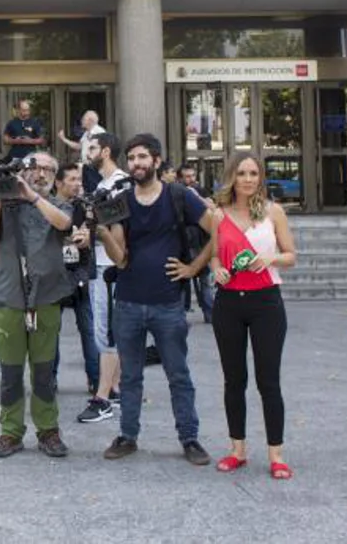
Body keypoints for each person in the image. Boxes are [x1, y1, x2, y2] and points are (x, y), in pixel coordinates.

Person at [178, 151, 296, 479]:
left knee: (268, 381)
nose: (248, 179)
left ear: (260, 178)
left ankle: (276, 455)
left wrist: (269, 258)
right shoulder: (218, 215)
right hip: (229, 304)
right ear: (232, 176)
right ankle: (237, 450)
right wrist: (216, 271)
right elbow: (215, 256)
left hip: (266, 303)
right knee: (234, 380)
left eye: (253, 174)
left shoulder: (273, 212)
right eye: (242, 173)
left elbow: (291, 255)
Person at [100, 133, 215, 466]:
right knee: (131, 376)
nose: (135, 163)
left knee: (178, 375)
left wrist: (194, 267)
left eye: (141, 157)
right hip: (128, 302)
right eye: (131, 158)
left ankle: (190, 438)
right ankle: (128, 436)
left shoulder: (180, 196)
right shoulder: (121, 201)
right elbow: (120, 259)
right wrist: (104, 231)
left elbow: (218, 228)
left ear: (156, 160)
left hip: (168, 304)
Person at [0, 153, 75, 458]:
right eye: (36, 168)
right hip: (9, 297)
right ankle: (10, 432)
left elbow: (63, 223)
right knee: (10, 372)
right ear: (24, 170)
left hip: (46, 298)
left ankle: (48, 430)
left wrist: (31, 196)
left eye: (49, 169)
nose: (42, 173)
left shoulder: (58, 203)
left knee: (44, 371)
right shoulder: (7, 203)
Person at [75, 132, 130, 424]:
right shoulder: (105, 185)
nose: (87, 152)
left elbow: (120, 230)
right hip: (102, 263)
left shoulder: (119, 184)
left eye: (92, 147)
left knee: (106, 333)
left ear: (106, 151)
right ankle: (116, 389)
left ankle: (103, 398)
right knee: (107, 331)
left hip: (111, 267)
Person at [55, 163, 98, 394]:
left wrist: (86, 235)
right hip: (55, 276)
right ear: (59, 183)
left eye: (79, 179)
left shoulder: (85, 206)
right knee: (52, 330)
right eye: (72, 179)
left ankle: (95, 378)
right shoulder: (49, 206)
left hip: (80, 274)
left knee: (88, 328)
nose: (77, 184)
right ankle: (49, 379)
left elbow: (91, 234)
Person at [179, 164, 215, 324]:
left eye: (193, 175)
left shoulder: (200, 190)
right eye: (187, 176)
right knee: (181, 283)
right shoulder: (176, 193)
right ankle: (179, 315)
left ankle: (210, 314)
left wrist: (196, 196)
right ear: (180, 178)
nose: (191, 179)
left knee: (205, 281)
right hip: (184, 243)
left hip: (201, 242)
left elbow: (212, 208)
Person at [58, 110, 106, 194]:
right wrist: (64, 139)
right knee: (88, 190)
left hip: (95, 167)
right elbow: (79, 146)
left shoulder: (99, 132)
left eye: (83, 119)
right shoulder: (86, 133)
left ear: (90, 120)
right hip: (87, 167)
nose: (81, 121)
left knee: (94, 189)